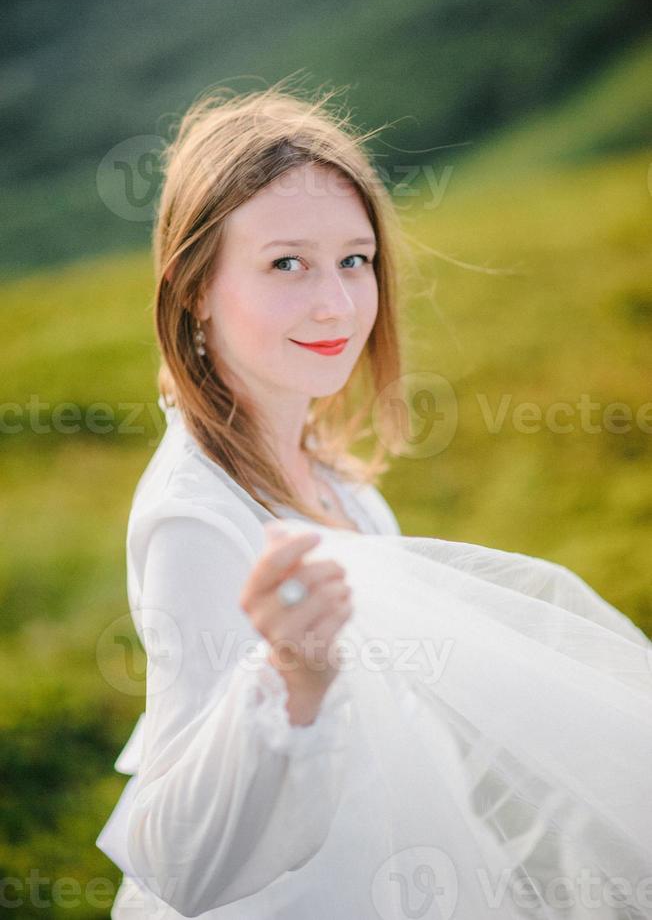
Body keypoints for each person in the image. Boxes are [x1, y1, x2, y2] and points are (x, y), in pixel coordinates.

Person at [96, 84, 652, 919]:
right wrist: (291, 674)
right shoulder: (197, 520)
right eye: (287, 263)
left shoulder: (326, 468)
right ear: (194, 289)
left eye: (355, 260)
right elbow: (181, 859)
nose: (336, 303)